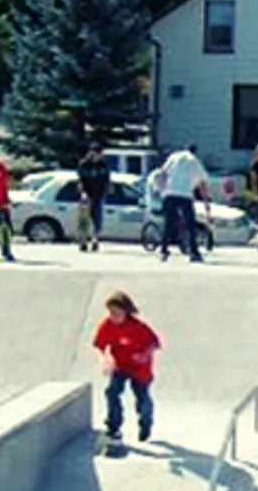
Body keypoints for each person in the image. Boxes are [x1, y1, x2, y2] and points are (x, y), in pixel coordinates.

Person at [92, 289, 162, 444]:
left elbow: (154, 343)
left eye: (117, 313)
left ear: (126, 312)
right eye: (111, 313)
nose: (113, 317)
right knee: (111, 392)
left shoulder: (138, 327)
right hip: (120, 366)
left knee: (142, 399)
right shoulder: (107, 325)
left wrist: (145, 355)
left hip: (140, 368)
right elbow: (99, 346)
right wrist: (105, 360)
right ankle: (113, 427)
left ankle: (145, 423)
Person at [158, 142, 211, 262]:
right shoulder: (194, 161)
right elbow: (202, 184)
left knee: (168, 223)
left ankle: (164, 250)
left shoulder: (174, 157)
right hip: (185, 195)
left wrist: (162, 189)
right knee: (190, 225)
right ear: (194, 152)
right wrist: (206, 204)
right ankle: (194, 252)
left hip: (169, 193)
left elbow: (163, 173)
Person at [75, 144, 111, 253]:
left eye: (100, 154)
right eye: (96, 153)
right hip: (86, 196)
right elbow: (80, 180)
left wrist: (106, 192)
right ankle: (83, 242)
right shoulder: (84, 164)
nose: (98, 156)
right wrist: (83, 192)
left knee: (97, 220)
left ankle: (95, 241)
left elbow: (107, 180)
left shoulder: (103, 165)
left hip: (98, 196)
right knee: (84, 220)